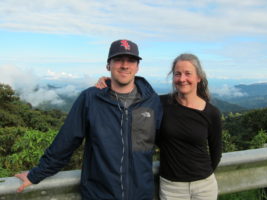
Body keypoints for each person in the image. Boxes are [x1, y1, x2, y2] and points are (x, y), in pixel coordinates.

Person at [15, 39, 163, 200]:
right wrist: (36, 174)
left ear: (137, 66)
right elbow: (67, 140)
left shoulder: (152, 101)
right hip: (98, 194)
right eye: (118, 60)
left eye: (131, 61)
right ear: (108, 65)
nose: (125, 65)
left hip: (141, 195)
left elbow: (167, 138)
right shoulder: (90, 99)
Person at [96, 53, 222, 200]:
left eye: (188, 74)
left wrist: (201, 176)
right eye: (177, 74)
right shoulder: (160, 104)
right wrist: (110, 82)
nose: (182, 79)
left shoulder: (211, 112)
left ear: (198, 77)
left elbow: (216, 152)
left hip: (204, 186)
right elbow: (133, 96)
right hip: (172, 187)